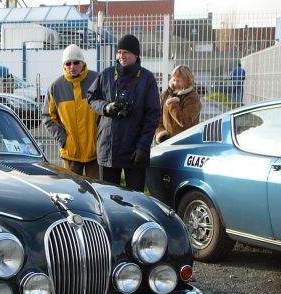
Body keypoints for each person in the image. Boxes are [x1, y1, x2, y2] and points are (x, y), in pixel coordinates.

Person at [87, 34, 160, 192]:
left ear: (136, 54)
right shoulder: (106, 74)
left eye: (126, 52)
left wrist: (143, 146)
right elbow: (91, 98)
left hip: (135, 149)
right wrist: (106, 107)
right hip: (109, 148)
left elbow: (153, 115)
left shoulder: (147, 79)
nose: (121, 56)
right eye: (119, 52)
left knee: (135, 199)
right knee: (107, 196)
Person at [42, 44, 99, 178]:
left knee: (97, 191)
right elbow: (48, 117)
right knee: (72, 193)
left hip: (95, 152)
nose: (72, 66)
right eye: (68, 63)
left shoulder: (97, 80)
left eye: (76, 62)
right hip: (70, 154)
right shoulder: (55, 87)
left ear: (83, 63)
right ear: (64, 65)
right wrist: (64, 140)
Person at [155, 65, 202, 144]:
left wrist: (172, 103)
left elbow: (184, 122)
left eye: (179, 81)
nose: (175, 83)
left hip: (185, 143)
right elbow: (157, 116)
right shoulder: (166, 94)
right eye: (174, 80)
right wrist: (161, 133)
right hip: (166, 143)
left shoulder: (193, 98)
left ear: (187, 81)